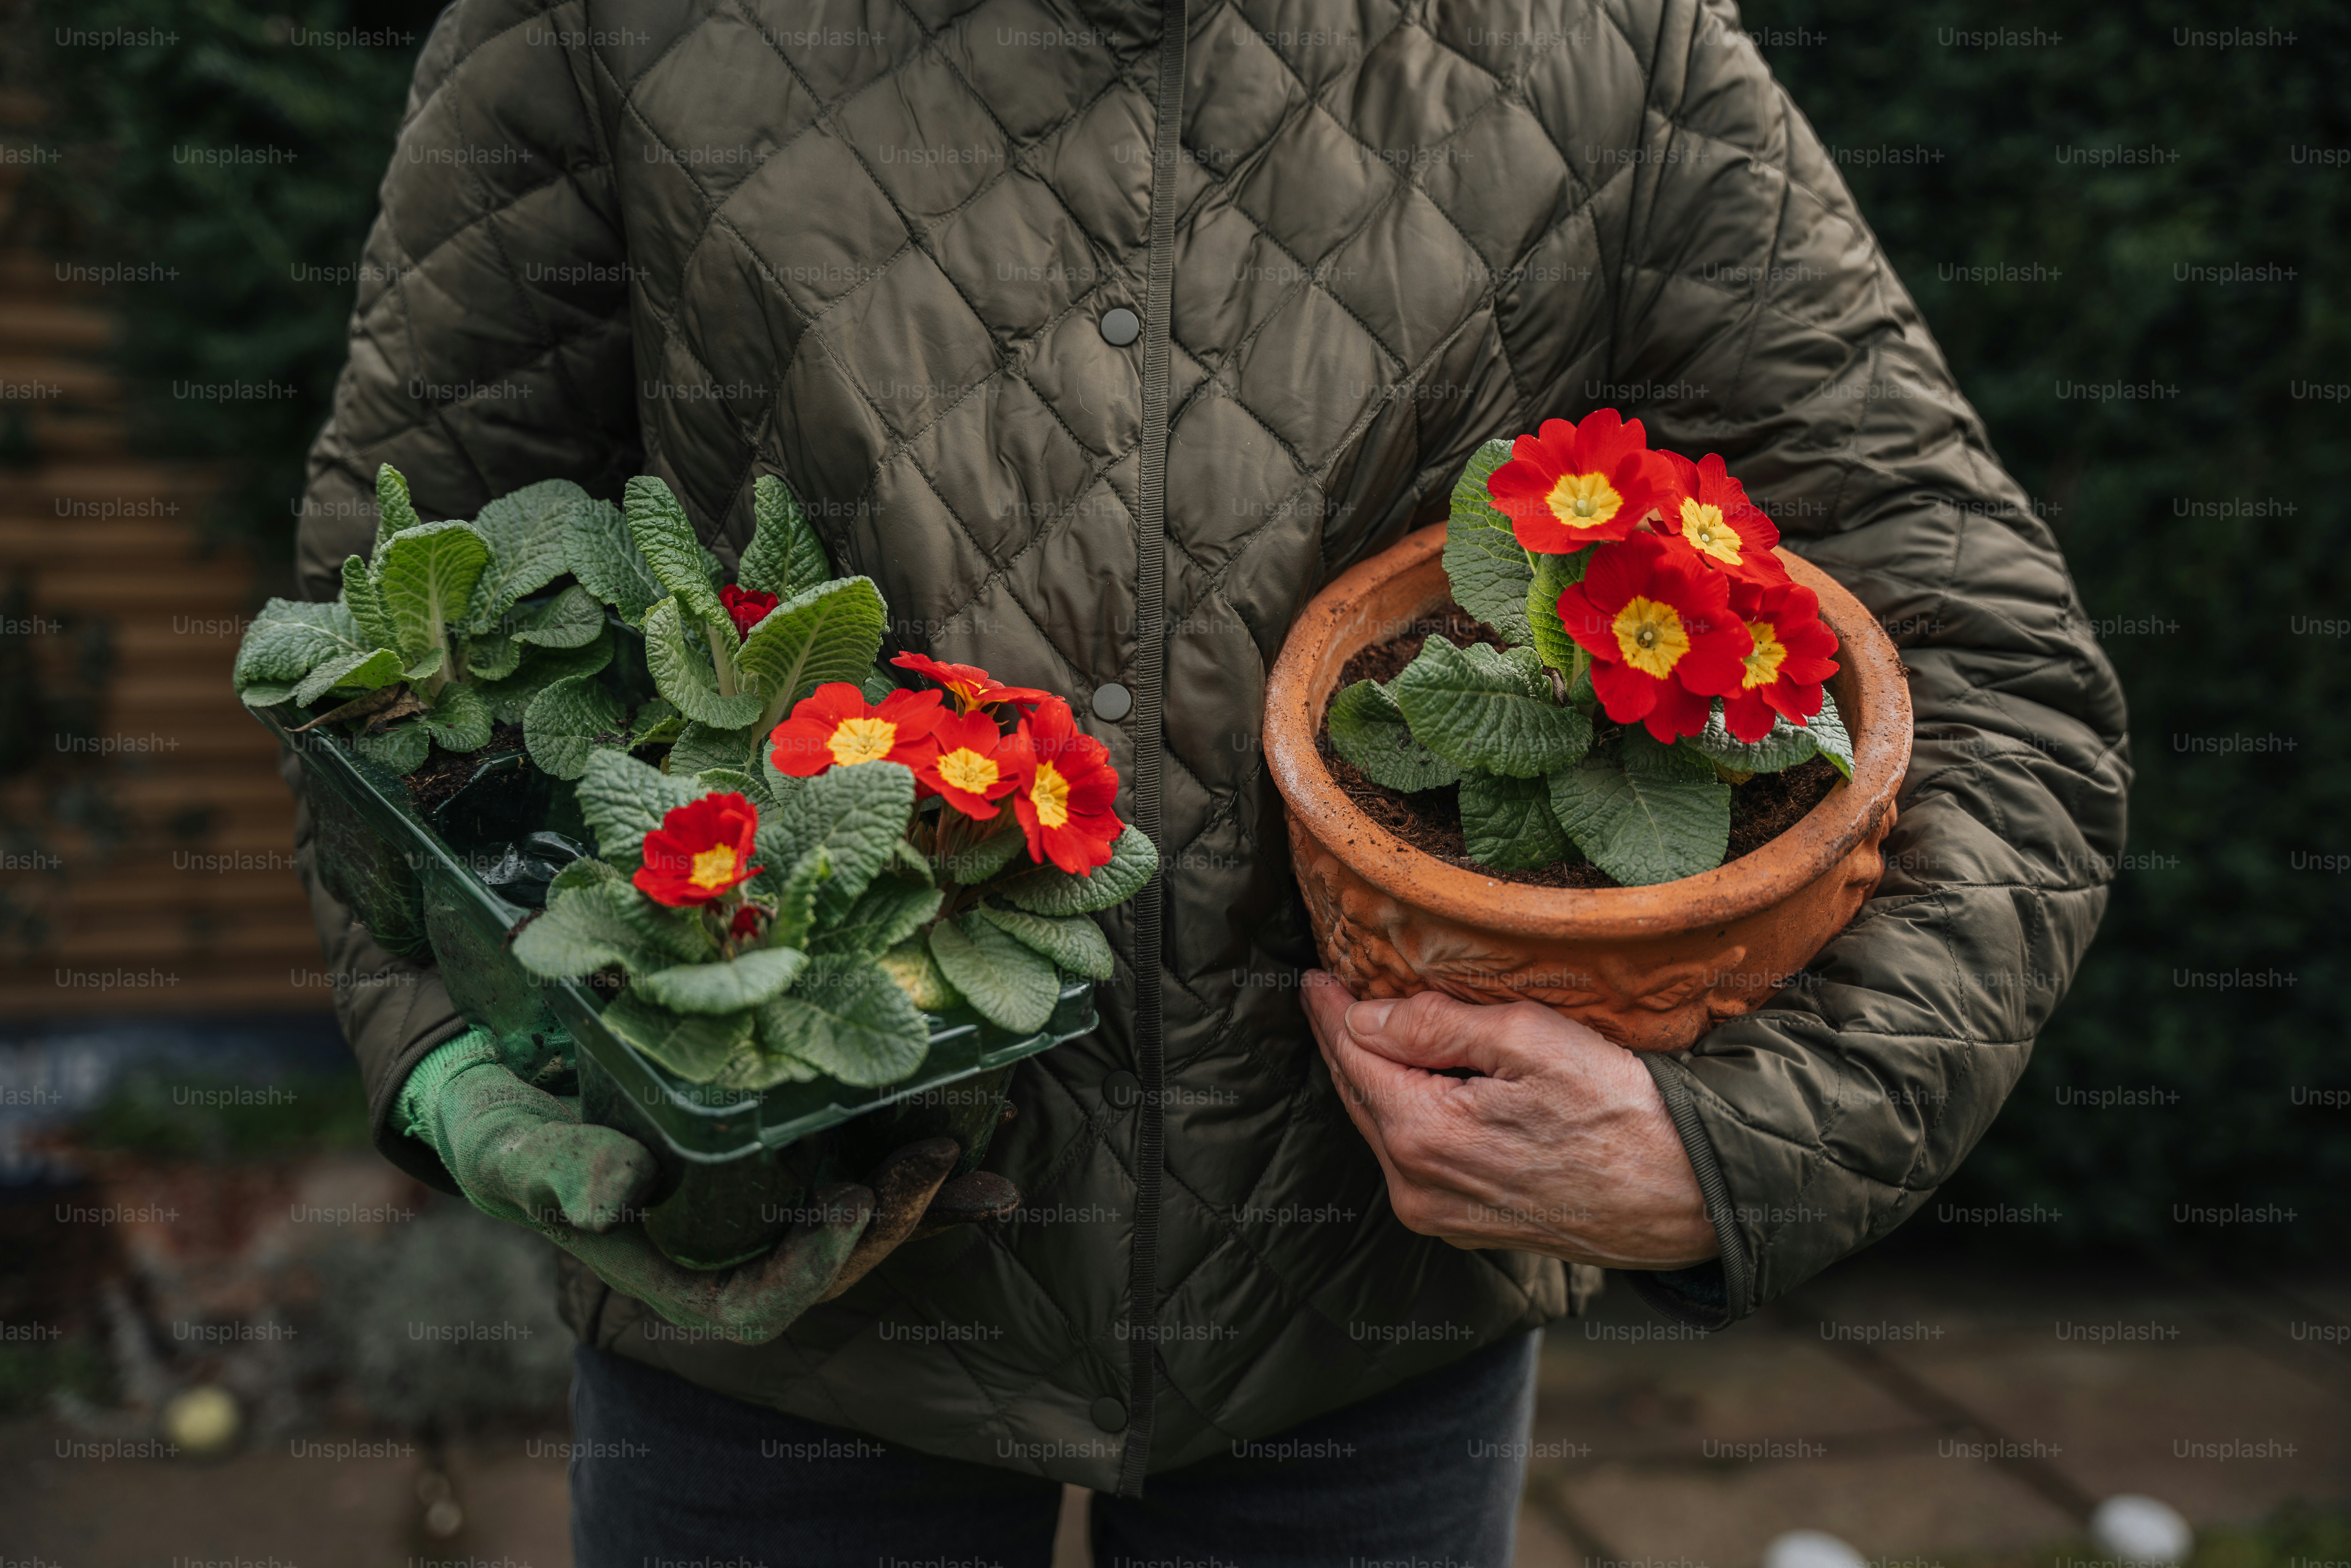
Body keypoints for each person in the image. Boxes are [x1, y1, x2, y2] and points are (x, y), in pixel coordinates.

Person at [284, 2, 2128, 1563]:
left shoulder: (1604, 40)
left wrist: (1737, 1143)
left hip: (1356, 1322)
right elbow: (390, 608)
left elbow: (1998, 673)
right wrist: (448, 1047)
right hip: (774, 1302)